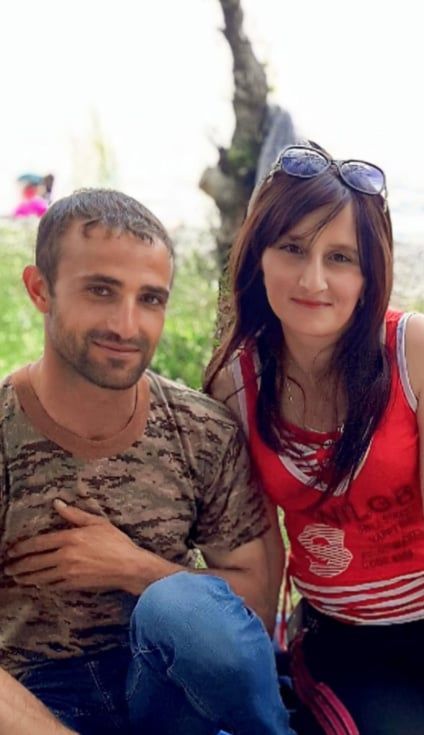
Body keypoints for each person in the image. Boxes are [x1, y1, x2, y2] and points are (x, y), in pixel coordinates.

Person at [0, 189, 296, 735]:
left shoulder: (201, 431)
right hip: (35, 703)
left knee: (181, 605)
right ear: (40, 289)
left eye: (151, 299)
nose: (127, 324)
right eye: (101, 291)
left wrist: (135, 568)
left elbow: (253, 608)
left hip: (168, 687)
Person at [205, 142, 424, 735]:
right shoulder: (237, 383)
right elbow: (256, 550)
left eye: (341, 257)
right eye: (293, 248)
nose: (313, 279)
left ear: (370, 274)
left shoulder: (412, 352)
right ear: (259, 255)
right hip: (343, 641)